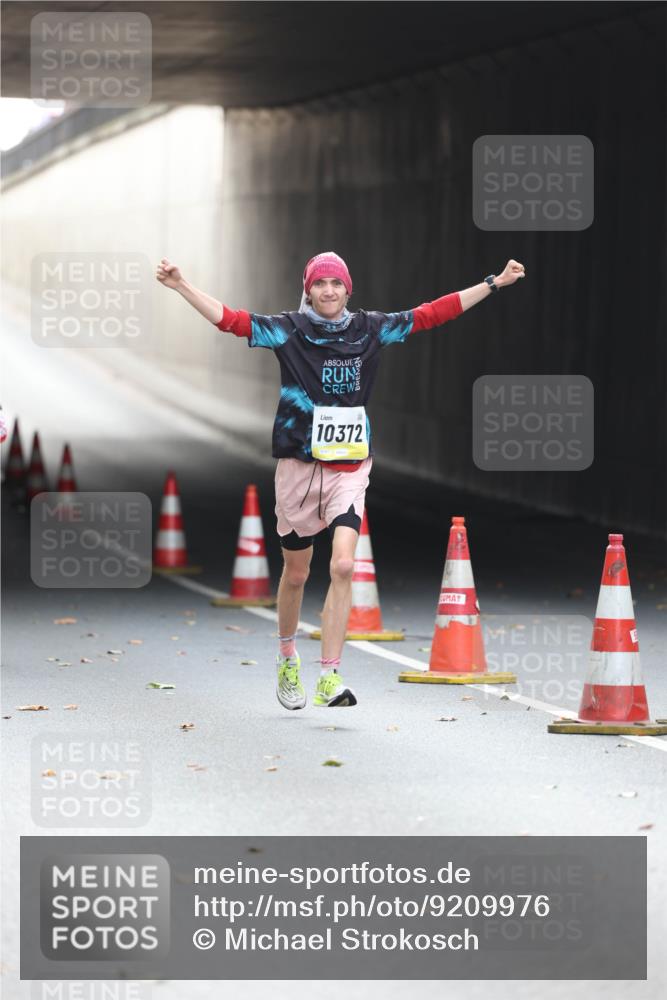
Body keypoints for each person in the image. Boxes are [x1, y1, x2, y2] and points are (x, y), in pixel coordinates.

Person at [156, 252, 525, 710]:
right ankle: (287, 656)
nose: (328, 291)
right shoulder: (288, 329)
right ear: (307, 289)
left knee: (344, 566)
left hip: (349, 467)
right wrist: (181, 285)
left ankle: (329, 675)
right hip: (298, 466)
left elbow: (432, 313)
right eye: (320, 283)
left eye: (336, 283)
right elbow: (232, 321)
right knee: (297, 573)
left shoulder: (370, 329)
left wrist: (492, 283)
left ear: (348, 290)